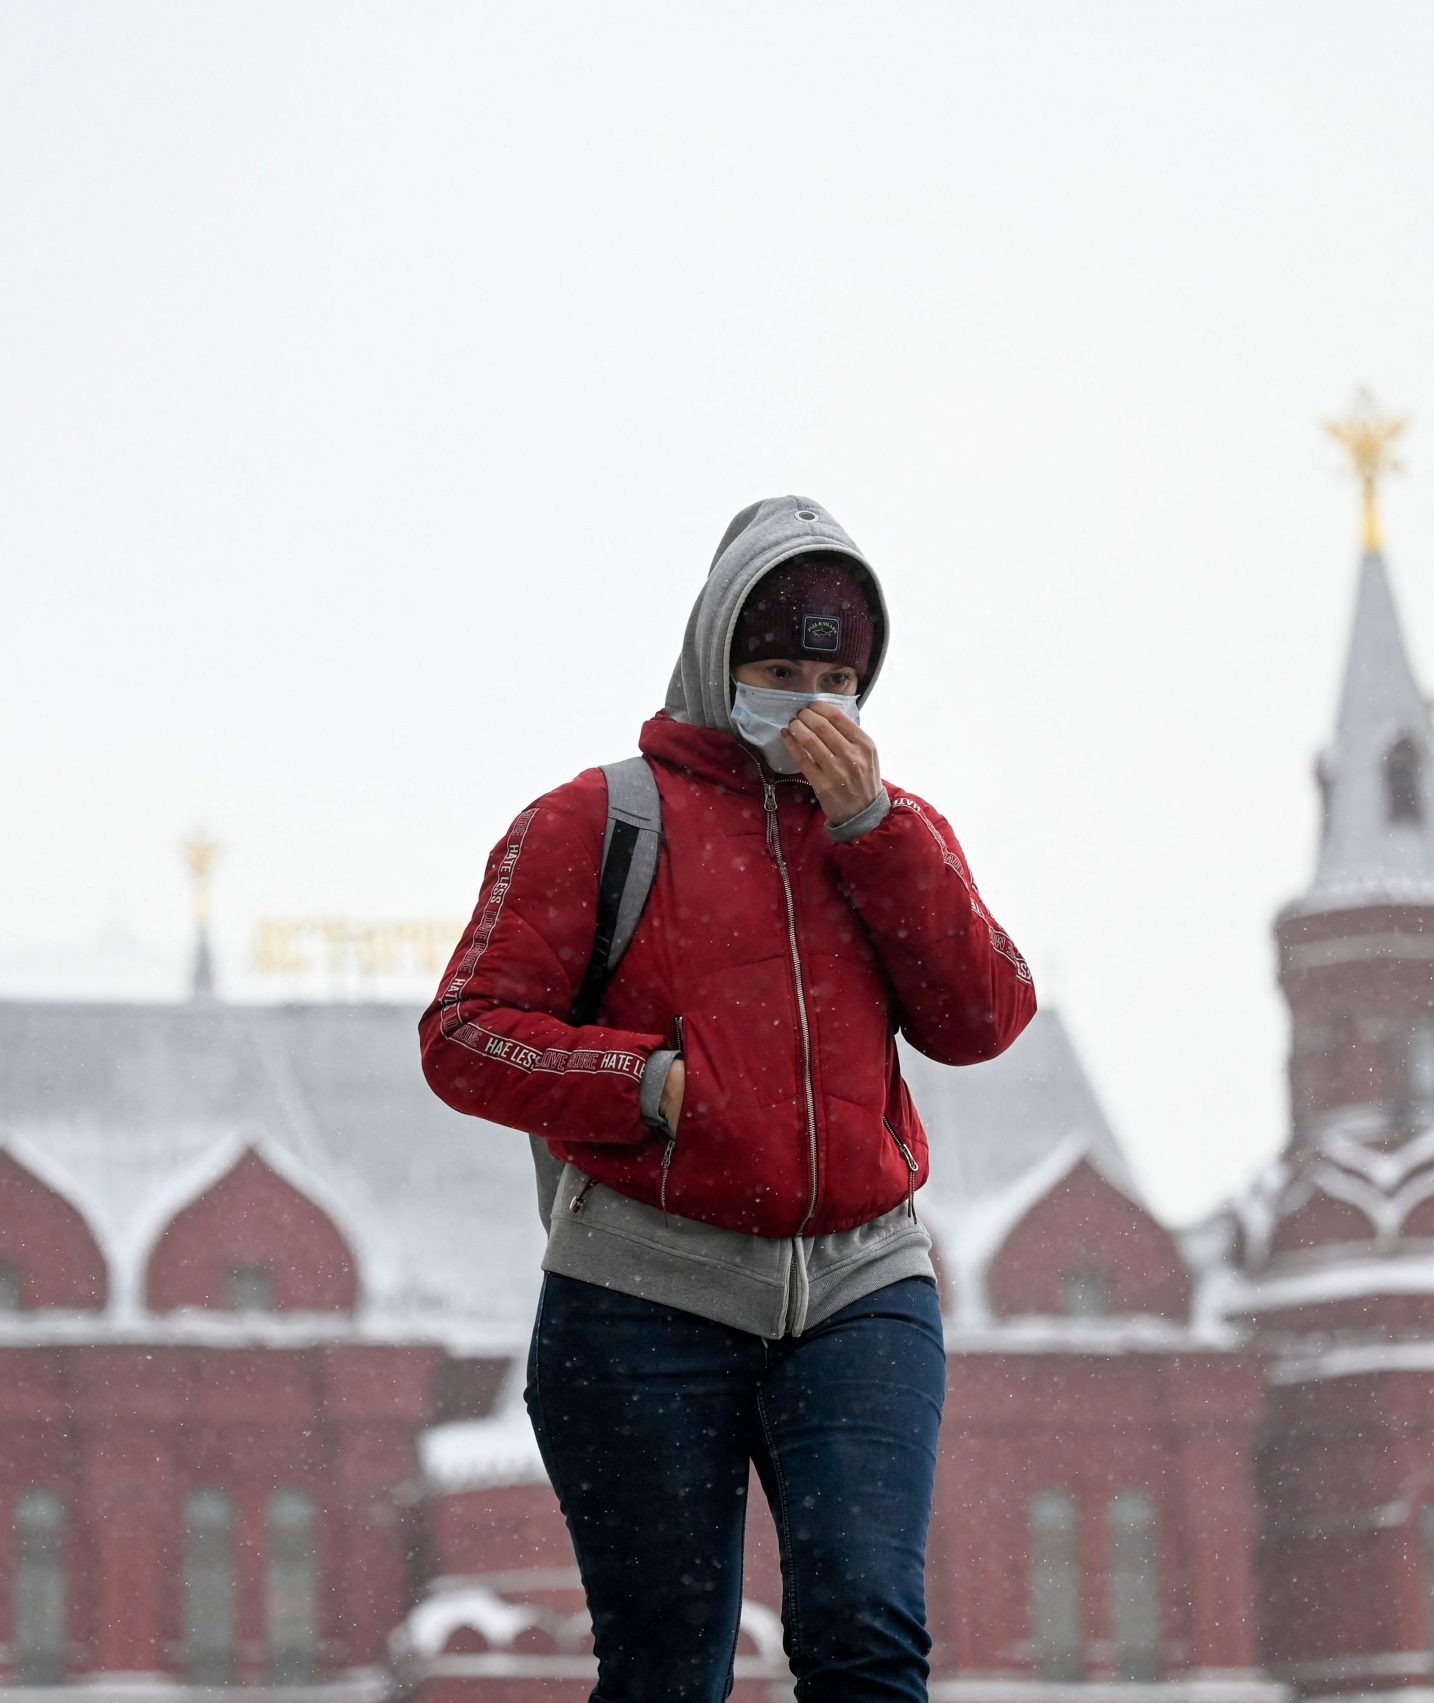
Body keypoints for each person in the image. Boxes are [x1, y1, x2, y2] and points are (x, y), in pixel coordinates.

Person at [418, 496, 1037, 1702]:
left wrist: (873, 830)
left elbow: (983, 1017)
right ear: (717, 661)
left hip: (860, 1285)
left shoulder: (894, 830)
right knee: (669, 1665)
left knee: (866, 1625)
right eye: (776, 672)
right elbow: (463, 1033)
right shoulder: (596, 820)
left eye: (834, 679)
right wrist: (646, 1083)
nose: (808, 703)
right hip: (641, 1294)